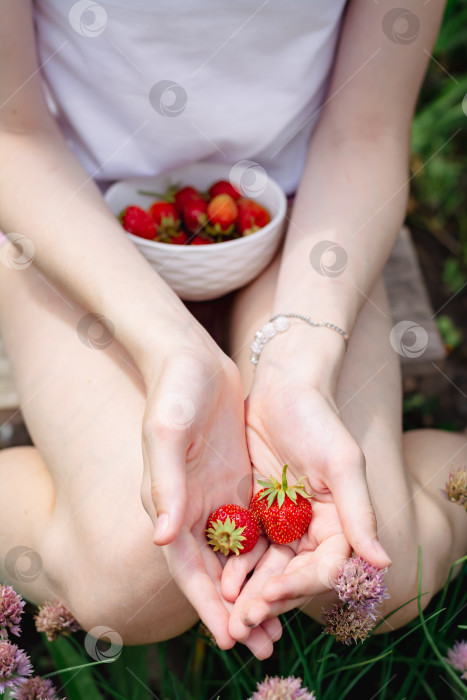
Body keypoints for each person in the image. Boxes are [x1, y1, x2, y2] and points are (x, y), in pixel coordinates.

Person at [0, 0, 466, 660]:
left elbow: (364, 131)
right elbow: (9, 134)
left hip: (307, 222)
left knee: (373, 577)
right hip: (71, 229)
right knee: (132, 571)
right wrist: (167, 344)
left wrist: (297, 363)